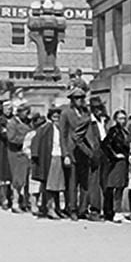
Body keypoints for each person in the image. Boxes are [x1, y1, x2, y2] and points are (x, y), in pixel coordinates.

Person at [59, 87, 90, 220]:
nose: (80, 100)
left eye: (82, 98)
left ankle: (83, 209)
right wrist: (65, 154)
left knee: (84, 182)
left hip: (84, 150)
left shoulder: (86, 113)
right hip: (71, 150)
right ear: (72, 100)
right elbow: (63, 135)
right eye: (77, 98)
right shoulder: (66, 113)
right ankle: (72, 208)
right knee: (72, 182)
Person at [77, 95, 109, 221]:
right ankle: (93, 210)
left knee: (104, 182)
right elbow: (77, 138)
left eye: (100, 107)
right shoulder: (87, 121)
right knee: (93, 183)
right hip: (93, 153)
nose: (99, 110)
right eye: (96, 108)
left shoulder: (104, 120)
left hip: (103, 152)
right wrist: (88, 152)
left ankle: (103, 209)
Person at [32, 106, 66, 219]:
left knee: (57, 185)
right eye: (54, 116)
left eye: (58, 117)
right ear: (50, 117)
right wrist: (36, 157)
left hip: (59, 157)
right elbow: (36, 141)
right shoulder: (46, 128)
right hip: (50, 158)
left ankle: (56, 207)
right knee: (50, 185)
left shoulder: (60, 128)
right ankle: (50, 208)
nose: (57, 119)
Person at [101, 109, 130, 223]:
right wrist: (115, 156)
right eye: (120, 118)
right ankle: (116, 212)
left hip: (124, 161)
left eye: (124, 118)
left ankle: (116, 211)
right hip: (117, 162)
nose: (123, 121)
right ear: (115, 119)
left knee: (120, 186)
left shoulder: (124, 131)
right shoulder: (114, 131)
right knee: (116, 186)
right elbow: (105, 144)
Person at [5, 102, 32, 213]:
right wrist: (25, 140)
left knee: (27, 178)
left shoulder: (28, 123)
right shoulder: (12, 123)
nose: (27, 114)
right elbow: (11, 138)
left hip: (27, 154)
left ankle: (26, 201)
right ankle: (15, 202)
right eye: (25, 112)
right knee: (18, 179)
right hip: (16, 153)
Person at [0, 100, 15, 209]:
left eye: (10, 108)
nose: (9, 110)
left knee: (12, 174)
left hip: (13, 149)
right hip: (3, 149)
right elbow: (3, 133)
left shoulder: (14, 119)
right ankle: (4, 199)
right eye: (7, 108)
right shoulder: (0, 119)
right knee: (3, 175)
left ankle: (13, 197)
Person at [24, 112, 45, 214]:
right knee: (34, 183)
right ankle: (33, 204)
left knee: (43, 184)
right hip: (35, 161)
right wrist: (32, 156)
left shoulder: (45, 134)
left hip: (44, 161)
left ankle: (43, 204)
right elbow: (25, 148)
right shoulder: (31, 135)